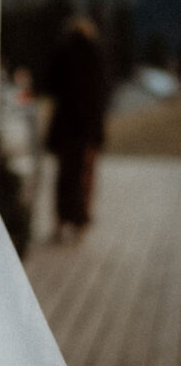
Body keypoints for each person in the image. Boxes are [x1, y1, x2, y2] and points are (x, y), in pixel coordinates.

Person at [46, 17, 108, 240]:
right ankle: (81, 219)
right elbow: (102, 93)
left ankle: (62, 220)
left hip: (66, 127)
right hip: (89, 128)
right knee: (86, 175)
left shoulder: (63, 53)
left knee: (65, 176)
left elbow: (51, 84)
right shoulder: (96, 55)